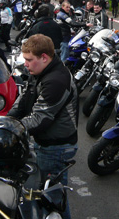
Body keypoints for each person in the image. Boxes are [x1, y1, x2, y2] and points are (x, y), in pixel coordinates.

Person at [7, 34, 78, 219]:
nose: (26, 64)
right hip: (47, 143)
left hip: (56, 147)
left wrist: (11, 128)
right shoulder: (40, 72)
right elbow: (24, 100)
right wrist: (7, 119)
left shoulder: (56, 80)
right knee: (47, 194)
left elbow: (40, 118)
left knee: (51, 198)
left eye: (30, 60)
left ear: (44, 57)